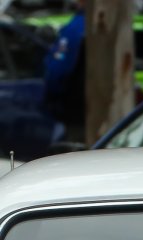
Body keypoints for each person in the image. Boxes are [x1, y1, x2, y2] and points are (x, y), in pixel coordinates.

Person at [43, 2, 86, 142]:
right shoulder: (112, 25)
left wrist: (52, 98)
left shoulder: (75, 28)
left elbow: (58, 70)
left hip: (77, 113)